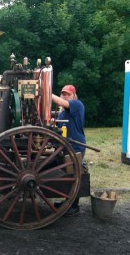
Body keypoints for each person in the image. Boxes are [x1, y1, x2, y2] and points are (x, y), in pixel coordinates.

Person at [51, 84, 86, 216]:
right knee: (67, 174)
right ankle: (68, 201)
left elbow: (61, 102)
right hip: (66, 146)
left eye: (67, 94)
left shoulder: (77, 105)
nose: (65, 96)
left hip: (76, 146)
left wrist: (45, 91)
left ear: (73, 95)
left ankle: (74, 206)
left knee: (73, 174)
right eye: (63, 94)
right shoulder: (63, 112)